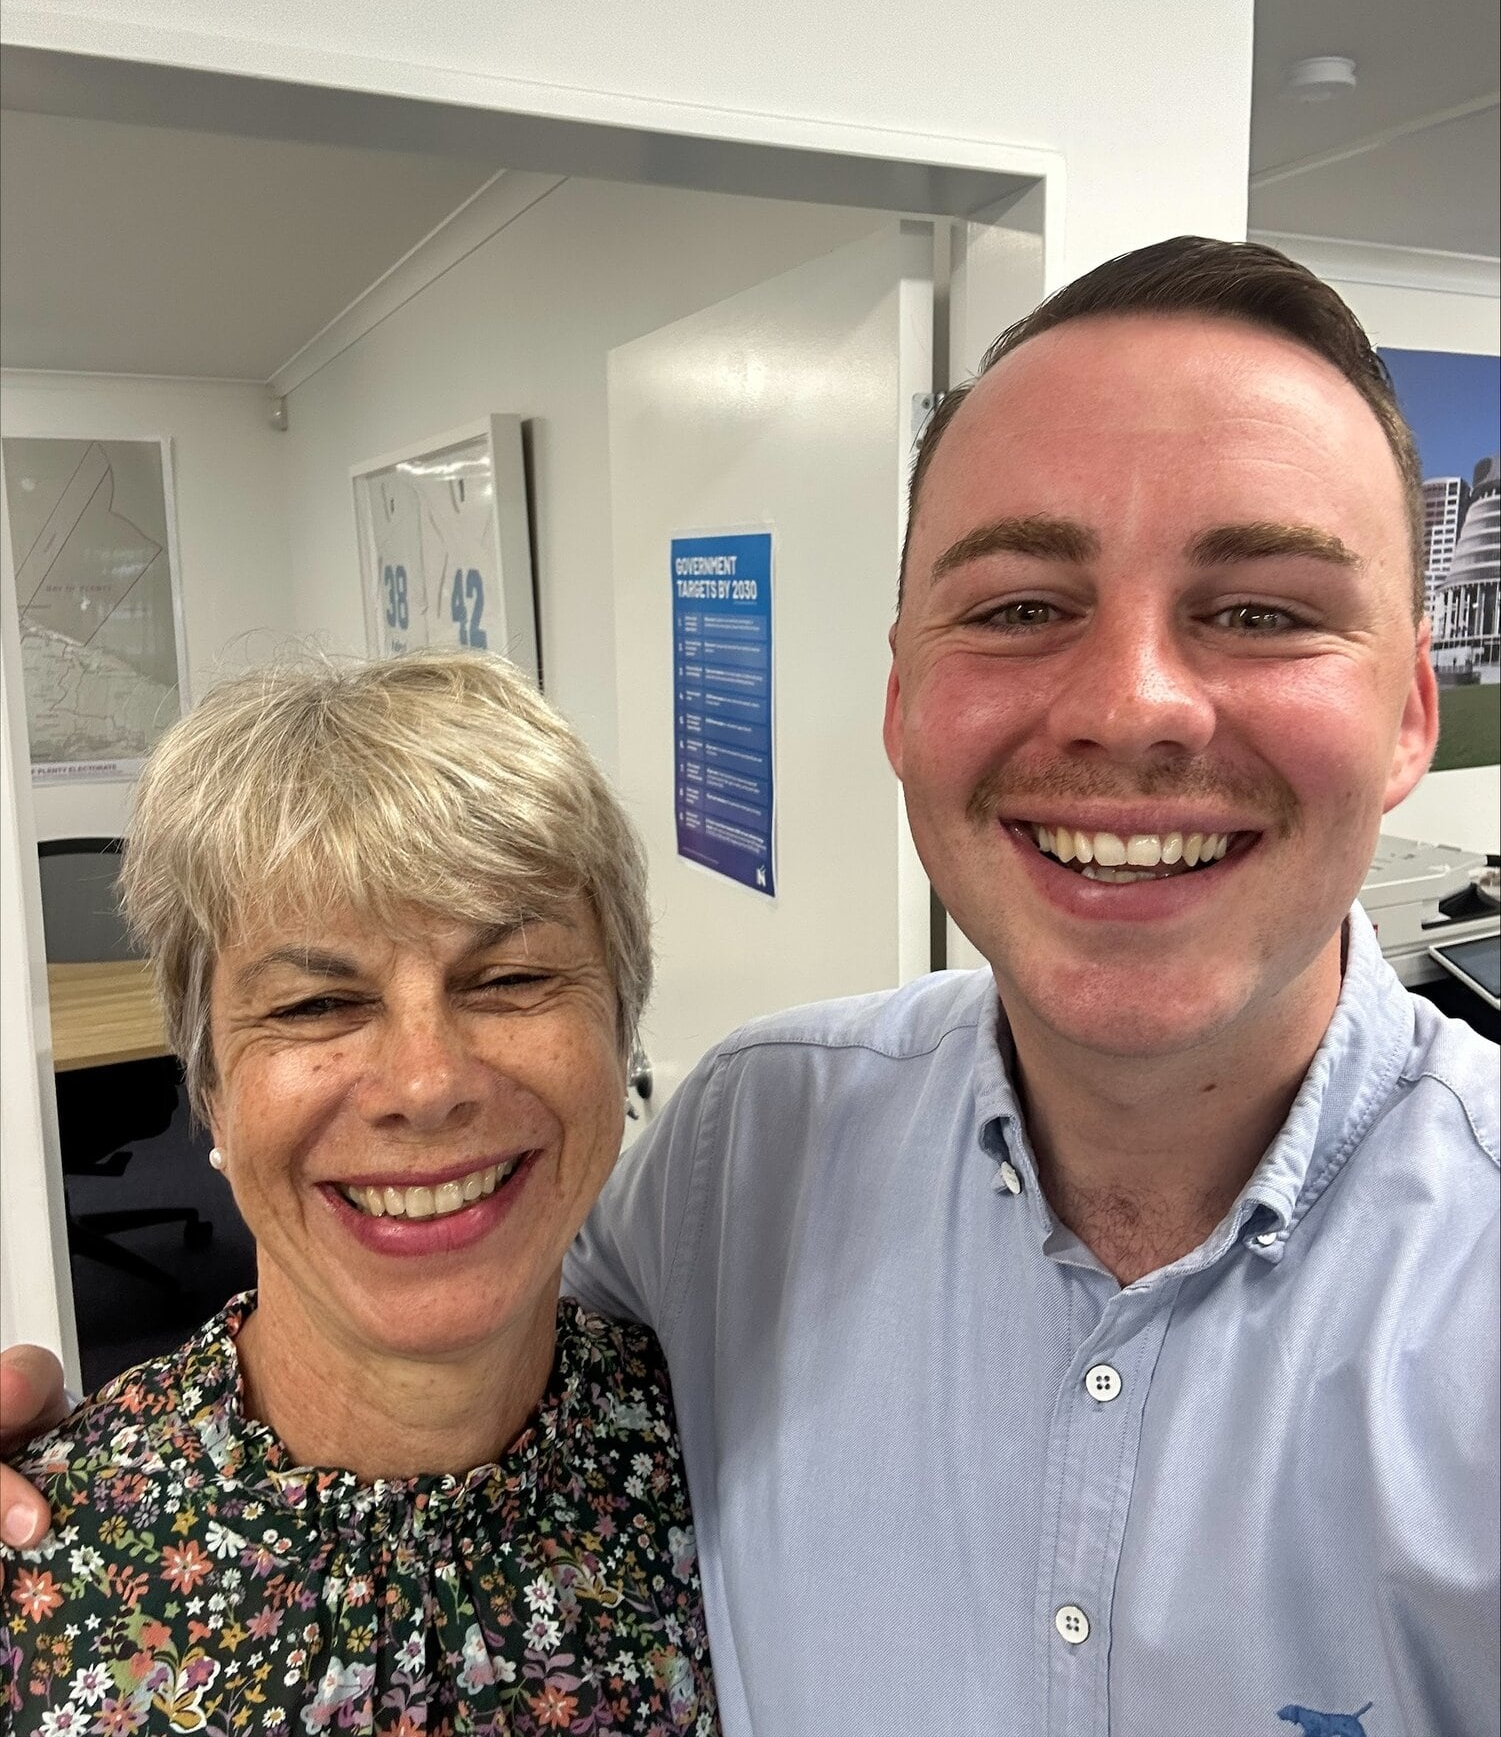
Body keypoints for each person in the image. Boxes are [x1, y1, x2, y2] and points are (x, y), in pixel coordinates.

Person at [5, 237, 1497, 1732]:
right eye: (1021, 607)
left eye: (1261, 610)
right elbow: (442, 1317)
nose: (1134, 705)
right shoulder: (749, 1148)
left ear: (1409, 713)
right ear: (903, 702)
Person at [0, 653, 717, 1735]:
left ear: (620, 1037)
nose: (426, 1084)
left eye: (512, 978)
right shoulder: (38, 1575)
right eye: (316, 1003)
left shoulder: (739, 1465)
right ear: (210, 1088)